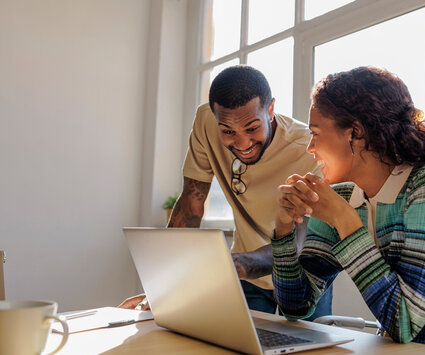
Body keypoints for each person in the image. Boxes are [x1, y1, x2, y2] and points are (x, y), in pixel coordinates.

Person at [271, 66, 425, 353]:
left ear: (355, 133)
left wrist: (344, 219)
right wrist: (284, 228)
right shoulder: (344, 197)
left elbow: (405, 323)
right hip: (391, 351)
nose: (310, 147)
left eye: (315, 133)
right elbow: (296, 306)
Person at [120, 65, 333, 320]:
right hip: (246, 276)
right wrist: (163, 285)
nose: (242, 144)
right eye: (228, 131)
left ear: (271, 109)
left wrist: (236, 264)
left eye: (253, 128)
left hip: (302, 277)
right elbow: (191, 204)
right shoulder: (206, 123)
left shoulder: (307, 150)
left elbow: (302, 242)